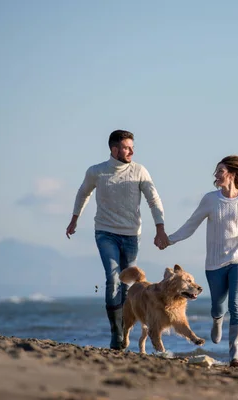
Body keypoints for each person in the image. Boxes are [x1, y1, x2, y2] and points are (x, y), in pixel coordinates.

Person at [65, 129, 169, 350]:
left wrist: (160, 228)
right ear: (114, 149)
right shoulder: (97, 172)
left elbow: (154, 199)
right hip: (105, 232)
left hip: (132, 235)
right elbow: (83, 193)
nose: (132, 151)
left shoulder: (139, 171)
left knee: (128, 284)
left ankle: (125, 327)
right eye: (126, 147)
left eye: (132, 147)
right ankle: (117, 333)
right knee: (113, 278)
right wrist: (74, 219)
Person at [161, 155, 238, 367]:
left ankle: (234, 355)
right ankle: (217, 320)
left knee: (236, 305)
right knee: (218, 306)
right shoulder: (210, 199)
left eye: (220, 171)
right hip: (215, 262)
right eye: (215, 172)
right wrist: (169, 240)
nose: (216, 175)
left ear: (232, 175)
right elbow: (192, 224)